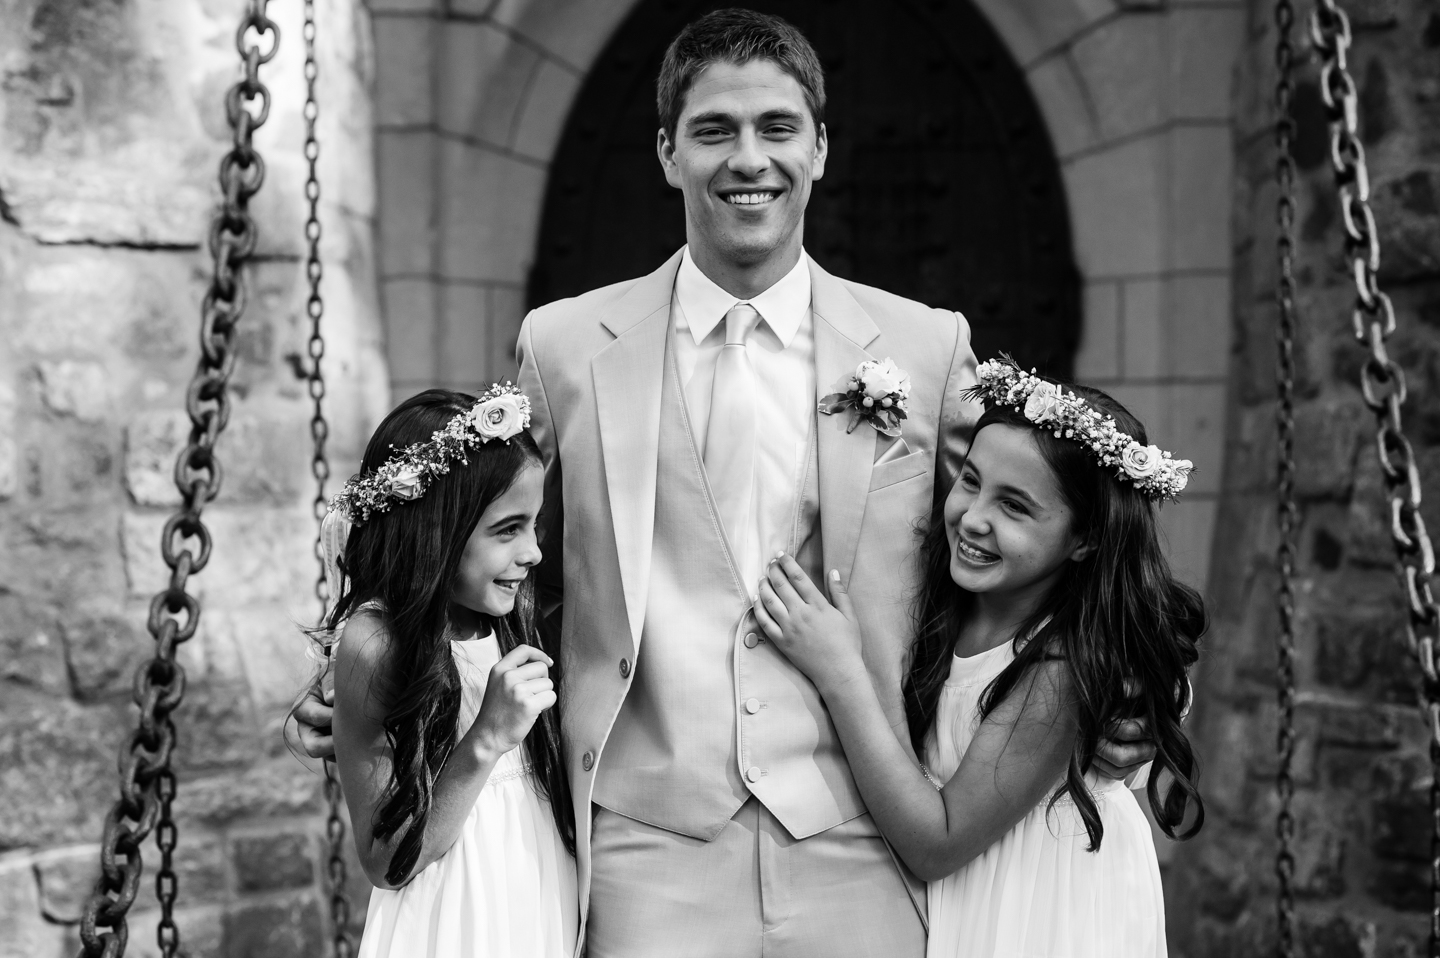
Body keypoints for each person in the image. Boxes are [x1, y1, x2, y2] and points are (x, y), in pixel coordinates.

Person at [294, 10, 1158, 956]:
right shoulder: (567, 345)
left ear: (820, 149)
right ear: (669, 153)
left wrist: (1134, 690)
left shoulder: (923, 344)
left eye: (777, 128)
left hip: (862, 836)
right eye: (714, 131)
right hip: (642, 840)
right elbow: (485, 538)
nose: (750, 158)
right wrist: (381, 674)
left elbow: (1042, 539)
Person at [751, 358, 1206, 957]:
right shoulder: (952, 602)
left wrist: (840, 672)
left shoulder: (1060, 668)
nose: (975, 516)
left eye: (1015, 507)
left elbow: (935, 842)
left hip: (1044, 916)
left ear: (1086, 538)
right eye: (970, 481)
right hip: (973, 899)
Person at [320, 386, 578, 958]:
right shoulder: (376, 643)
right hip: (452, 917)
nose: (534, 552)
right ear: (437, 530)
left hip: (534, 898)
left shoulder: (513, 619)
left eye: (533, 525)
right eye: (508, 530)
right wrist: (487, 736)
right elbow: (387, 861)